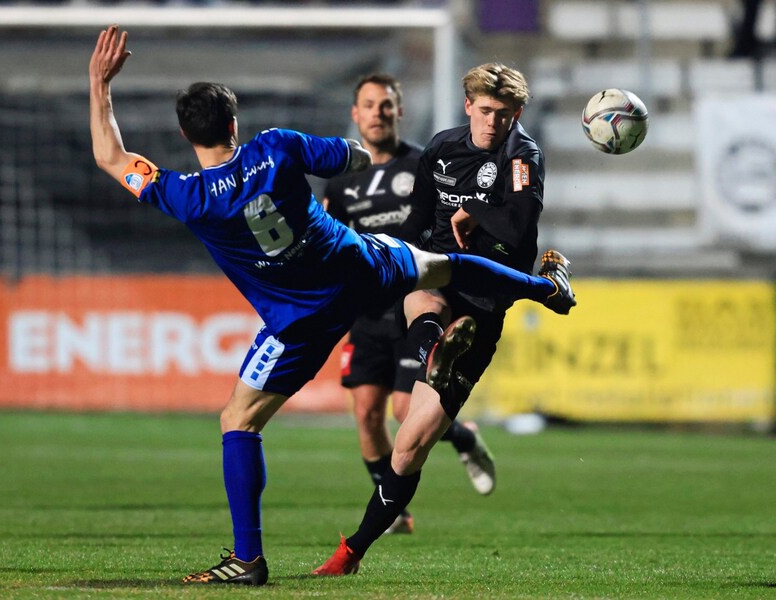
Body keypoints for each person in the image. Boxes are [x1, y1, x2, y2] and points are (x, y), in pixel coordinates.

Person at [90, 27, 574, 587]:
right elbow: (350, 156)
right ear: (233, 125)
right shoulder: (276, 145)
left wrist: (100, 83)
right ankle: (543, 290)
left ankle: (247, 559)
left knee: (238, 421)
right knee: (443, 265)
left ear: (184, 133)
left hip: (299, 318)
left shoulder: (185, 196)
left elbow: (110, 155)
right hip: (356, 264)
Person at [313, 62, 570, 576]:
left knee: (409, 444)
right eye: (485, 110)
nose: (493, 122)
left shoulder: (523, 157)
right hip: (435, 272)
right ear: (469, 104)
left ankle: (355, 548)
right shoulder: (441, 148)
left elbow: (519, 230)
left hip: (486, 298)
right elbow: (416, 219)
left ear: (517, 113)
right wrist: (388, 256)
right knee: (423, 295)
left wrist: (478, 213)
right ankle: (436, 347)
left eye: (504, 113)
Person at [324, 74, 498, 536]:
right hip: (366, 308)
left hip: (416, 301)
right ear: (355, 114)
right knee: (365, 412)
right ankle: (395, 511)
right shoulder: (341, 182)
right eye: (369, 105)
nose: (378, 113)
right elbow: (330, 243)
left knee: (406, 411)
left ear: (399, 111)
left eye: (386, 105)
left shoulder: (426, 164)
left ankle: (459, 439)